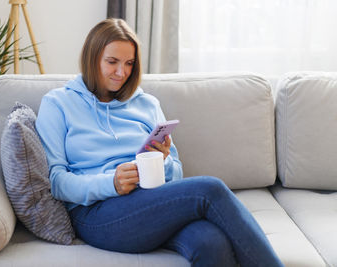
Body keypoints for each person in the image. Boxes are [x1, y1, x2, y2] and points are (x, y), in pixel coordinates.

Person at [36, 18, 283, 267]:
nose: (121, 72)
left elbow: (176, 173)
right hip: (97, 212)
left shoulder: (146, 104)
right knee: (210, 189)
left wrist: (162, 161)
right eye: (112, 62)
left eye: (129, 63)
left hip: (151, 203)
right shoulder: (58, 103)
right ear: (92, 58)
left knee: (211, 242)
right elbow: (56, 181)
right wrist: (111, 183)